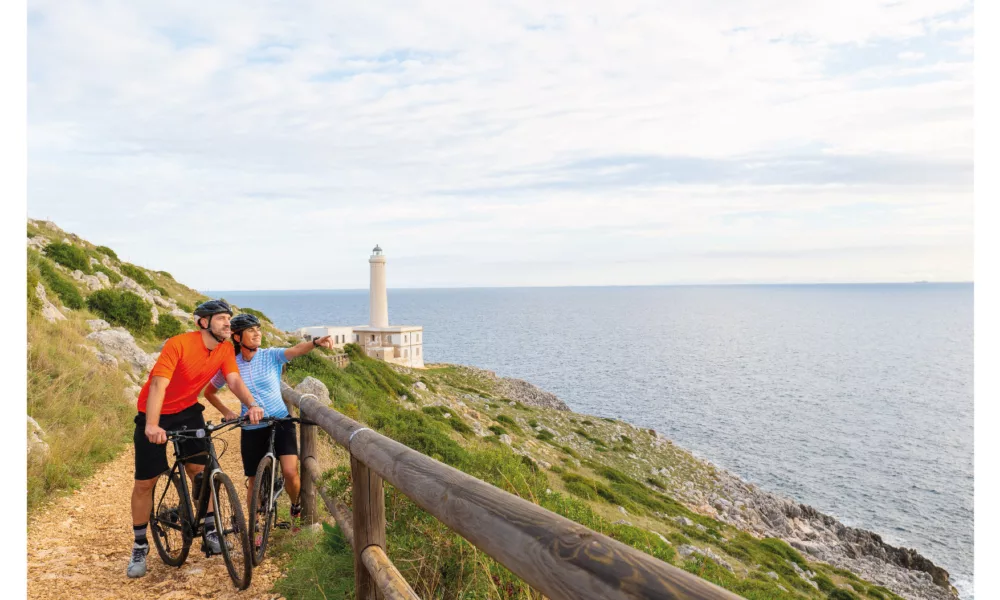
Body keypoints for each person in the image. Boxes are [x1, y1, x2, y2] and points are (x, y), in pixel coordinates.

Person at [127, 300, 265, 579]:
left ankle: (211, 530)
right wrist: (152, 425)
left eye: (229, 318)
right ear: (203, 322)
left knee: (202, 471)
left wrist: (251, 404)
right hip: (155, 411)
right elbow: (158, 385)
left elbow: (234, 381)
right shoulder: (179, 344)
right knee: (145, 482)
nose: (228, 322)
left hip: (187, 410)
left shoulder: (225, 348)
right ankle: (139, 545)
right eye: (221, 318)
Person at [203, 313, 332, 542]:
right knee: (254, 480)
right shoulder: (231, 365)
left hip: (280, 421)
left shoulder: (270, 356)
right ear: (237, 336)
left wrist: (314, 343)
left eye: (258, 329)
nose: (257, 333)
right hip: (251, 426)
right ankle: (256, 525)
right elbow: (209, 392)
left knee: (291, 472)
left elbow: (294, 351)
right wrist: (226, 412)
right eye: (251, 330)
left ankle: (295, 506)